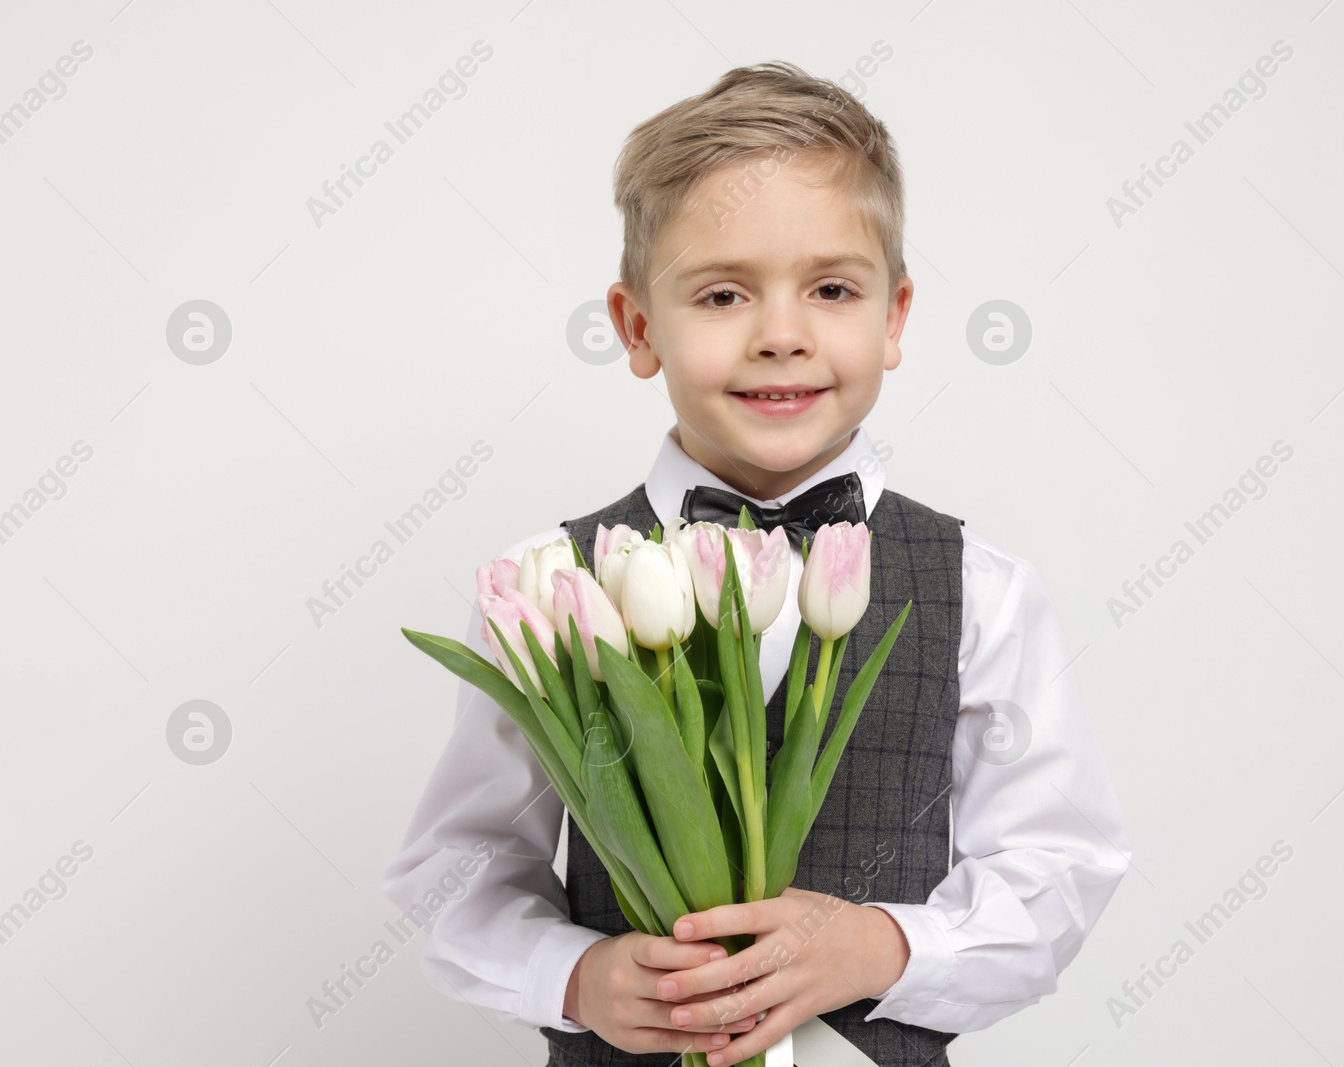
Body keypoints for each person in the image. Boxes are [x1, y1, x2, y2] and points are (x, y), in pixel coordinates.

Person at [381, 60, 1130, 1067]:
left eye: (830, 288)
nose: (781, 336)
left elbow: (1060, 864)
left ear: (894, 317)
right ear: (639, 326)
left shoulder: (982, 590)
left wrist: (885, 944)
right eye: (723, 293)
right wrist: (576, 975)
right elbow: (457, 866)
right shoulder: (545, 589)